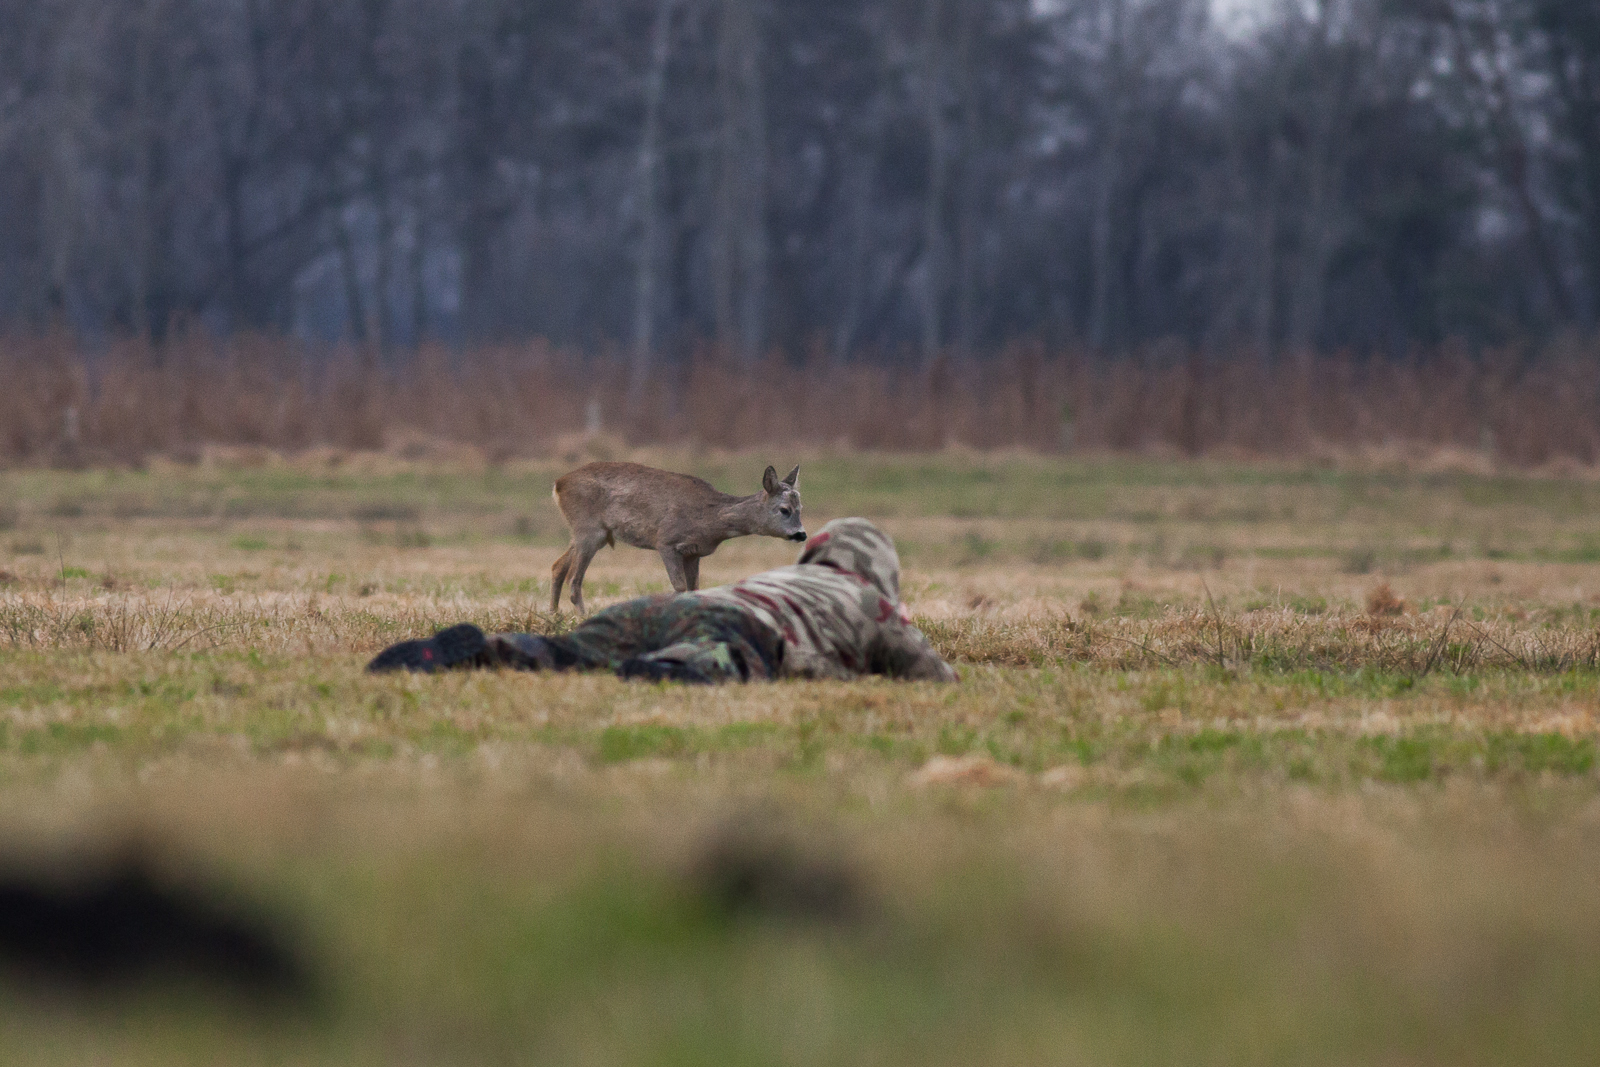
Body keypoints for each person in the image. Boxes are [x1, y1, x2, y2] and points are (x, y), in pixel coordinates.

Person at [367, 517, 957, 684]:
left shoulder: (788, 578)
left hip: (666, 606)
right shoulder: (869, 603)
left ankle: (485, 651)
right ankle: (673, 672)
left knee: (570, 652)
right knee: (718, 659)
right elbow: (933, 676)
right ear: (880, 573)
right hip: (738, 629)